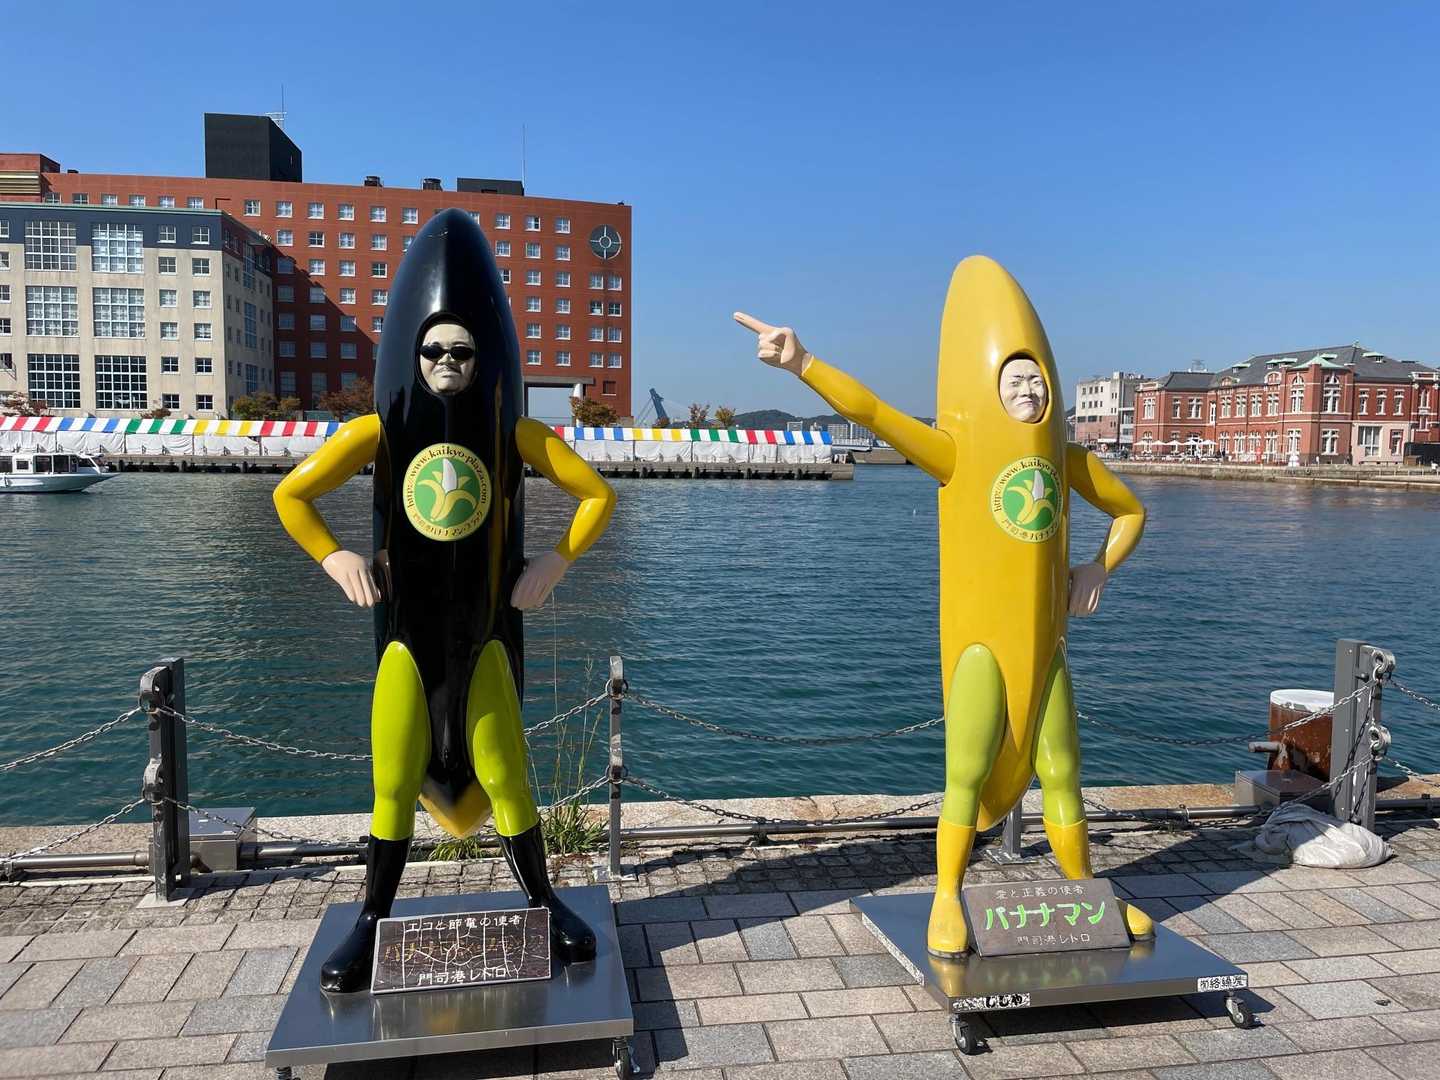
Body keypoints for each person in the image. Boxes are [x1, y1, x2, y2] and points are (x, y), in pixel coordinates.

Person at [735, 255, 1151, 957]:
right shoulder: (955, 454)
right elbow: (873, 412)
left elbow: (1130, 511)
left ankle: (1087, 893)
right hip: (982, 647)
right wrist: (803, 363)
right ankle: (947, 896)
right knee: (965, 773)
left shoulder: (1066, 458)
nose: (1027, 389)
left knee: (1064, 770)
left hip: (1048, 646)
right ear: (988, 388)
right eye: (1013, 379)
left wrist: (1097, 567)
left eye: (1036, 379)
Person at [274, 209, 616, 992]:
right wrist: (336, 557)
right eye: (432, 351)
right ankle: (372, 920)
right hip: (406, 634)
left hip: (484, 631)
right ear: (411, 354)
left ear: (483, 356)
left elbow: (597, 495)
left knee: (507, 774)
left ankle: (544, 902)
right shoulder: (378, 430)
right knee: (393, 781)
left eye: (463, 351)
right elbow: (292, 496)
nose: (448, 363)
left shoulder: (517, 434)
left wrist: (555, 561)